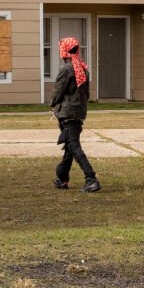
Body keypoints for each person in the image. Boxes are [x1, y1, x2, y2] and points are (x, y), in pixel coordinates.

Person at [50, 37, 100, 193]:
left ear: (64, 51)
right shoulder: (83, 68)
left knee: (74, 146)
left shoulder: (66, 69)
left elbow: (58, 91)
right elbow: (87, 94)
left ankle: (91, 179)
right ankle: (62, 178)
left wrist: (52, 104)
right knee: (70, 147)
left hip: (67, 113)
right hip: (79, 112)